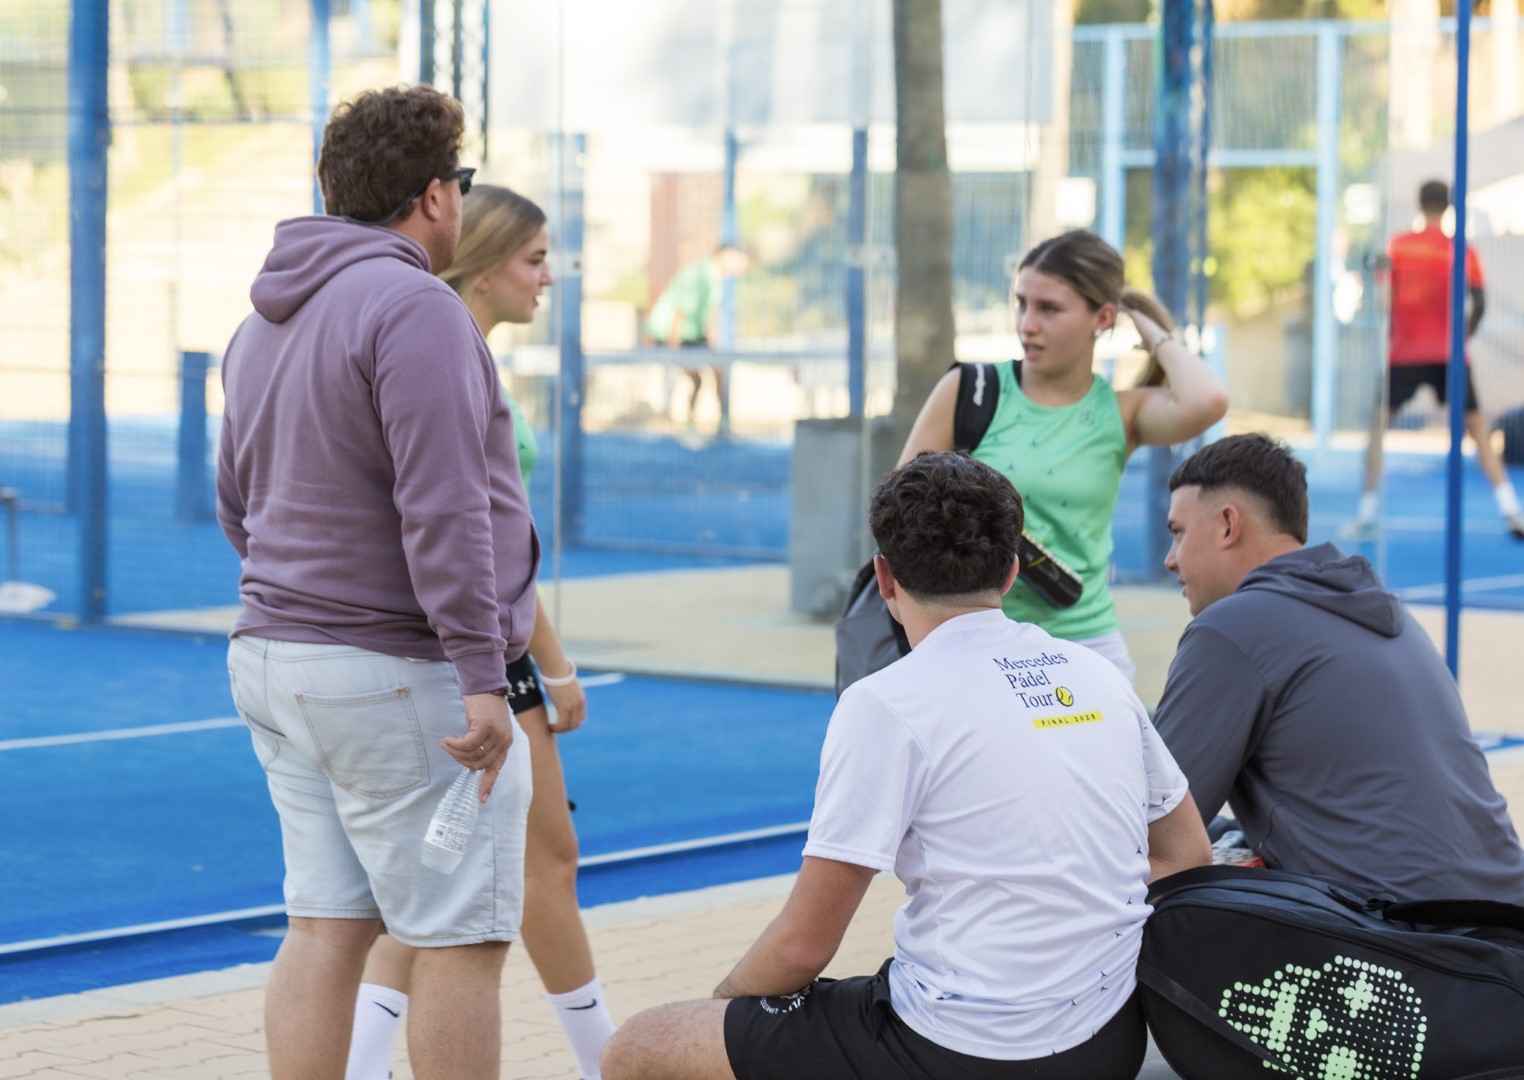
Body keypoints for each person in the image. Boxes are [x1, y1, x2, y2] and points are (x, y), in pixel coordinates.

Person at [600, 451, 1212, 1080]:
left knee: (640, 1047)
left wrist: (724, 1008)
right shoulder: (1098, 675)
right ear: (1010, 571)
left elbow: (803, 946)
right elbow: (1188, 852)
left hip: (960, 1047)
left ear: (885, 578)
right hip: (1109, 1040)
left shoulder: (886, 702)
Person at [217, 86, 538, 1080]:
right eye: (461, 181)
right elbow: (444, 508)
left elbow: (235, 500)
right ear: (436, 194)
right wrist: (482, 676)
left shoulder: (264, 320)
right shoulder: (416, 308)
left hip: (277, 657)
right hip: (397, 671)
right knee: (460, 941)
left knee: (324, 928)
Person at [346, 185, 616, 1080]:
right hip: (473, 654)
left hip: (468, 644)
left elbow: (498, 539)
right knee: (534, 865)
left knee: (436, 878)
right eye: (535, 259)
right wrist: (549, 667)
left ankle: (365, 1063)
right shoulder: (444, 355)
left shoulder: (449, 351)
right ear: (487, 264)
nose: (547, 278)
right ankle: (606, 1061)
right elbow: (477, 539)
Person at [1154, 432, 1524, 902]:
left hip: (1397, 931)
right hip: (1504, 916)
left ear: (1228, 525)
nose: (1170, 559)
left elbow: (1152, 826)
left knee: (1139, 897)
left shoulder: (1230, 628)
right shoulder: (1386, 613)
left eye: (1178, 533)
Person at [898, 229, 1229, 684]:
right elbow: (901, 513)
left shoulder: (1119, 413)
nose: (1027, 324)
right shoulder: (970, 391)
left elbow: (1209, 399)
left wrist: (1149, 328)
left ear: (1103, 317)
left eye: (1049, 309)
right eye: (1022, 303)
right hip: (974, 639)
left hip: (1085, 642)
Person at [1346, 179, 1524, 539]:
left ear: (1419, 203)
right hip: (1449, 354)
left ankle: (1365, 513)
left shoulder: (1398, 246)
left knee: (1377, 428)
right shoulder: (1462, 250)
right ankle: (1512, 511)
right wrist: (1462, 337)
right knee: (1479, 432)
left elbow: (1383, 298)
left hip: (1405, 352)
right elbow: (1480, 303)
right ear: (1448, 206)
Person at [645, 243, 750, 436]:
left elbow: (701, 318)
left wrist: (709, 343)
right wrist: (673, 348)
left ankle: (721, 424)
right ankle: (688, 426)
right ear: (726, 255)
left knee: (718, 370)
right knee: (696, 376)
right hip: (672, 335)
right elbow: (680, 312)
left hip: (691, 336)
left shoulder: (715, 279)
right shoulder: (699, 275)